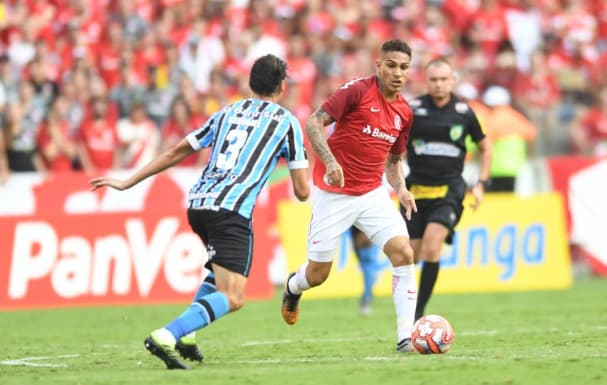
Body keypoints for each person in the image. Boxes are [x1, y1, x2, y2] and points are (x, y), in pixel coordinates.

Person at [89, 54, 310, 369]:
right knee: (234, 296)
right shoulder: (287, 122)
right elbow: (302, 192)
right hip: (231, 209)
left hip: (198, 204)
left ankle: (187, 336)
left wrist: (128, 181)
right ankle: (167, 334)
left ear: (251, 82)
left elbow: (176, 150)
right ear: (283, 86)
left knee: (218, 273)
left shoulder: (226, 113)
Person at [280, 39, 419, 353]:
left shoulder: (404, 112)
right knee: (318, 275)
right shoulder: (357, 91)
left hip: (372, 193)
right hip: (334, 194)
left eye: (404, 67)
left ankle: (405, 339)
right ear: (378, 65)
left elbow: (394, 162)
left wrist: (401, 188)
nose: (398, 73)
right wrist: (330, 161)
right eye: (392, 65)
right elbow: (313, 122)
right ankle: (292, 286)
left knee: (404, 254)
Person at [403, 58, 492, 321]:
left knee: (432, 247)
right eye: (433, 80)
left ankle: (417, 313)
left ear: (452, 80)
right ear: (425, 81)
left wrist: (481, 184)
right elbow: (394, 146)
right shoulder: (413, 110)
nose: (439, 85)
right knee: (410, 255)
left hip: (449, 190)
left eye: (444, 79)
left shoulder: (464, 112)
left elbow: (486, 149)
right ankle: (407, 309)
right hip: (416, 191)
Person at [349, 226, 382, 315]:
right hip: (354, 223)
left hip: (365, 222)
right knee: (366, 262)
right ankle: (371, 279)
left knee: (367, 260)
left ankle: (367, 298)